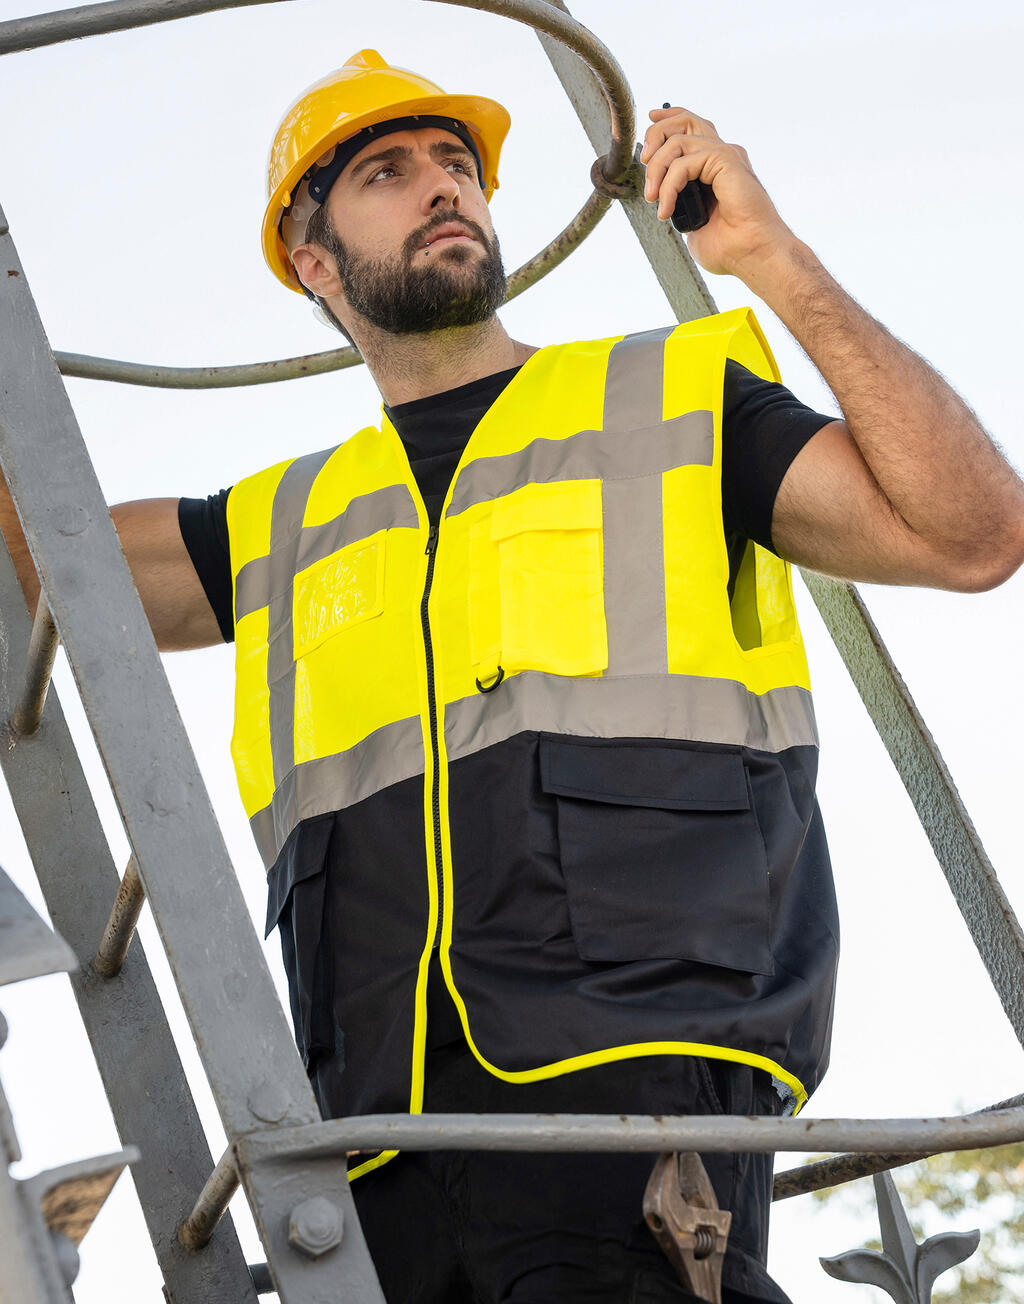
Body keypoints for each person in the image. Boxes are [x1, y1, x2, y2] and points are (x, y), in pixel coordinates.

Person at [3, 47, 1024, 1304]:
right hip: (373, 1138)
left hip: (633, 1092)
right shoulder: (280, 522)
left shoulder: (672, 400)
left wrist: (768, 257)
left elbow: (968, 531)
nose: (443, 190)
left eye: (457, 166)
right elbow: (41, 553)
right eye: (387, 173)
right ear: (313, 262)